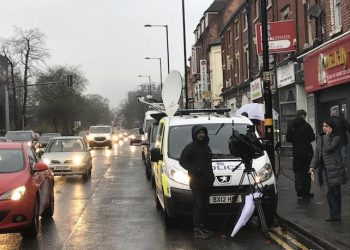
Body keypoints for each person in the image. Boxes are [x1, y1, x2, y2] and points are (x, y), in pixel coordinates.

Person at [179, 125, 215, 239]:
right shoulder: (190, 147)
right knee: (199, 205)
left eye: (203, 132)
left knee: (205, 206)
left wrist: (211, 176)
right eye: (199, 133)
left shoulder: (206, 147)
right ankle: (197, 230)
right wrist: (194, 169)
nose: (201, 134)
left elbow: (208, 163)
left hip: (207, 181)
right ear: (195, 134)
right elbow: (182, 161)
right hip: (197, 182)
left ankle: (203, 228)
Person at [309, 119, 347, 222]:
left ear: (331, 127)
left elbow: (329, 148)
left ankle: (336, 215)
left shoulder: (336, 138)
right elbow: (317, 154)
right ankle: (333, 214)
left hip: (335, 169)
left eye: (326, 126)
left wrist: (327, 136)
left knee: (335, 193)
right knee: (328, 192)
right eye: (323, 126)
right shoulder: (321, 137)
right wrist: (312, 166)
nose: (324, 128)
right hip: (324, 170)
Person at [286, 109, 315, 198]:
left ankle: (299, 190)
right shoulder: (306, 126)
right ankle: (306, 192)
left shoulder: (291, 126)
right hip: (306, 152)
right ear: (303, 115)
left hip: (296, 152)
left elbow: (288, 139)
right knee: (306, 172)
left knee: (297, 171)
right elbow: (312, 138)